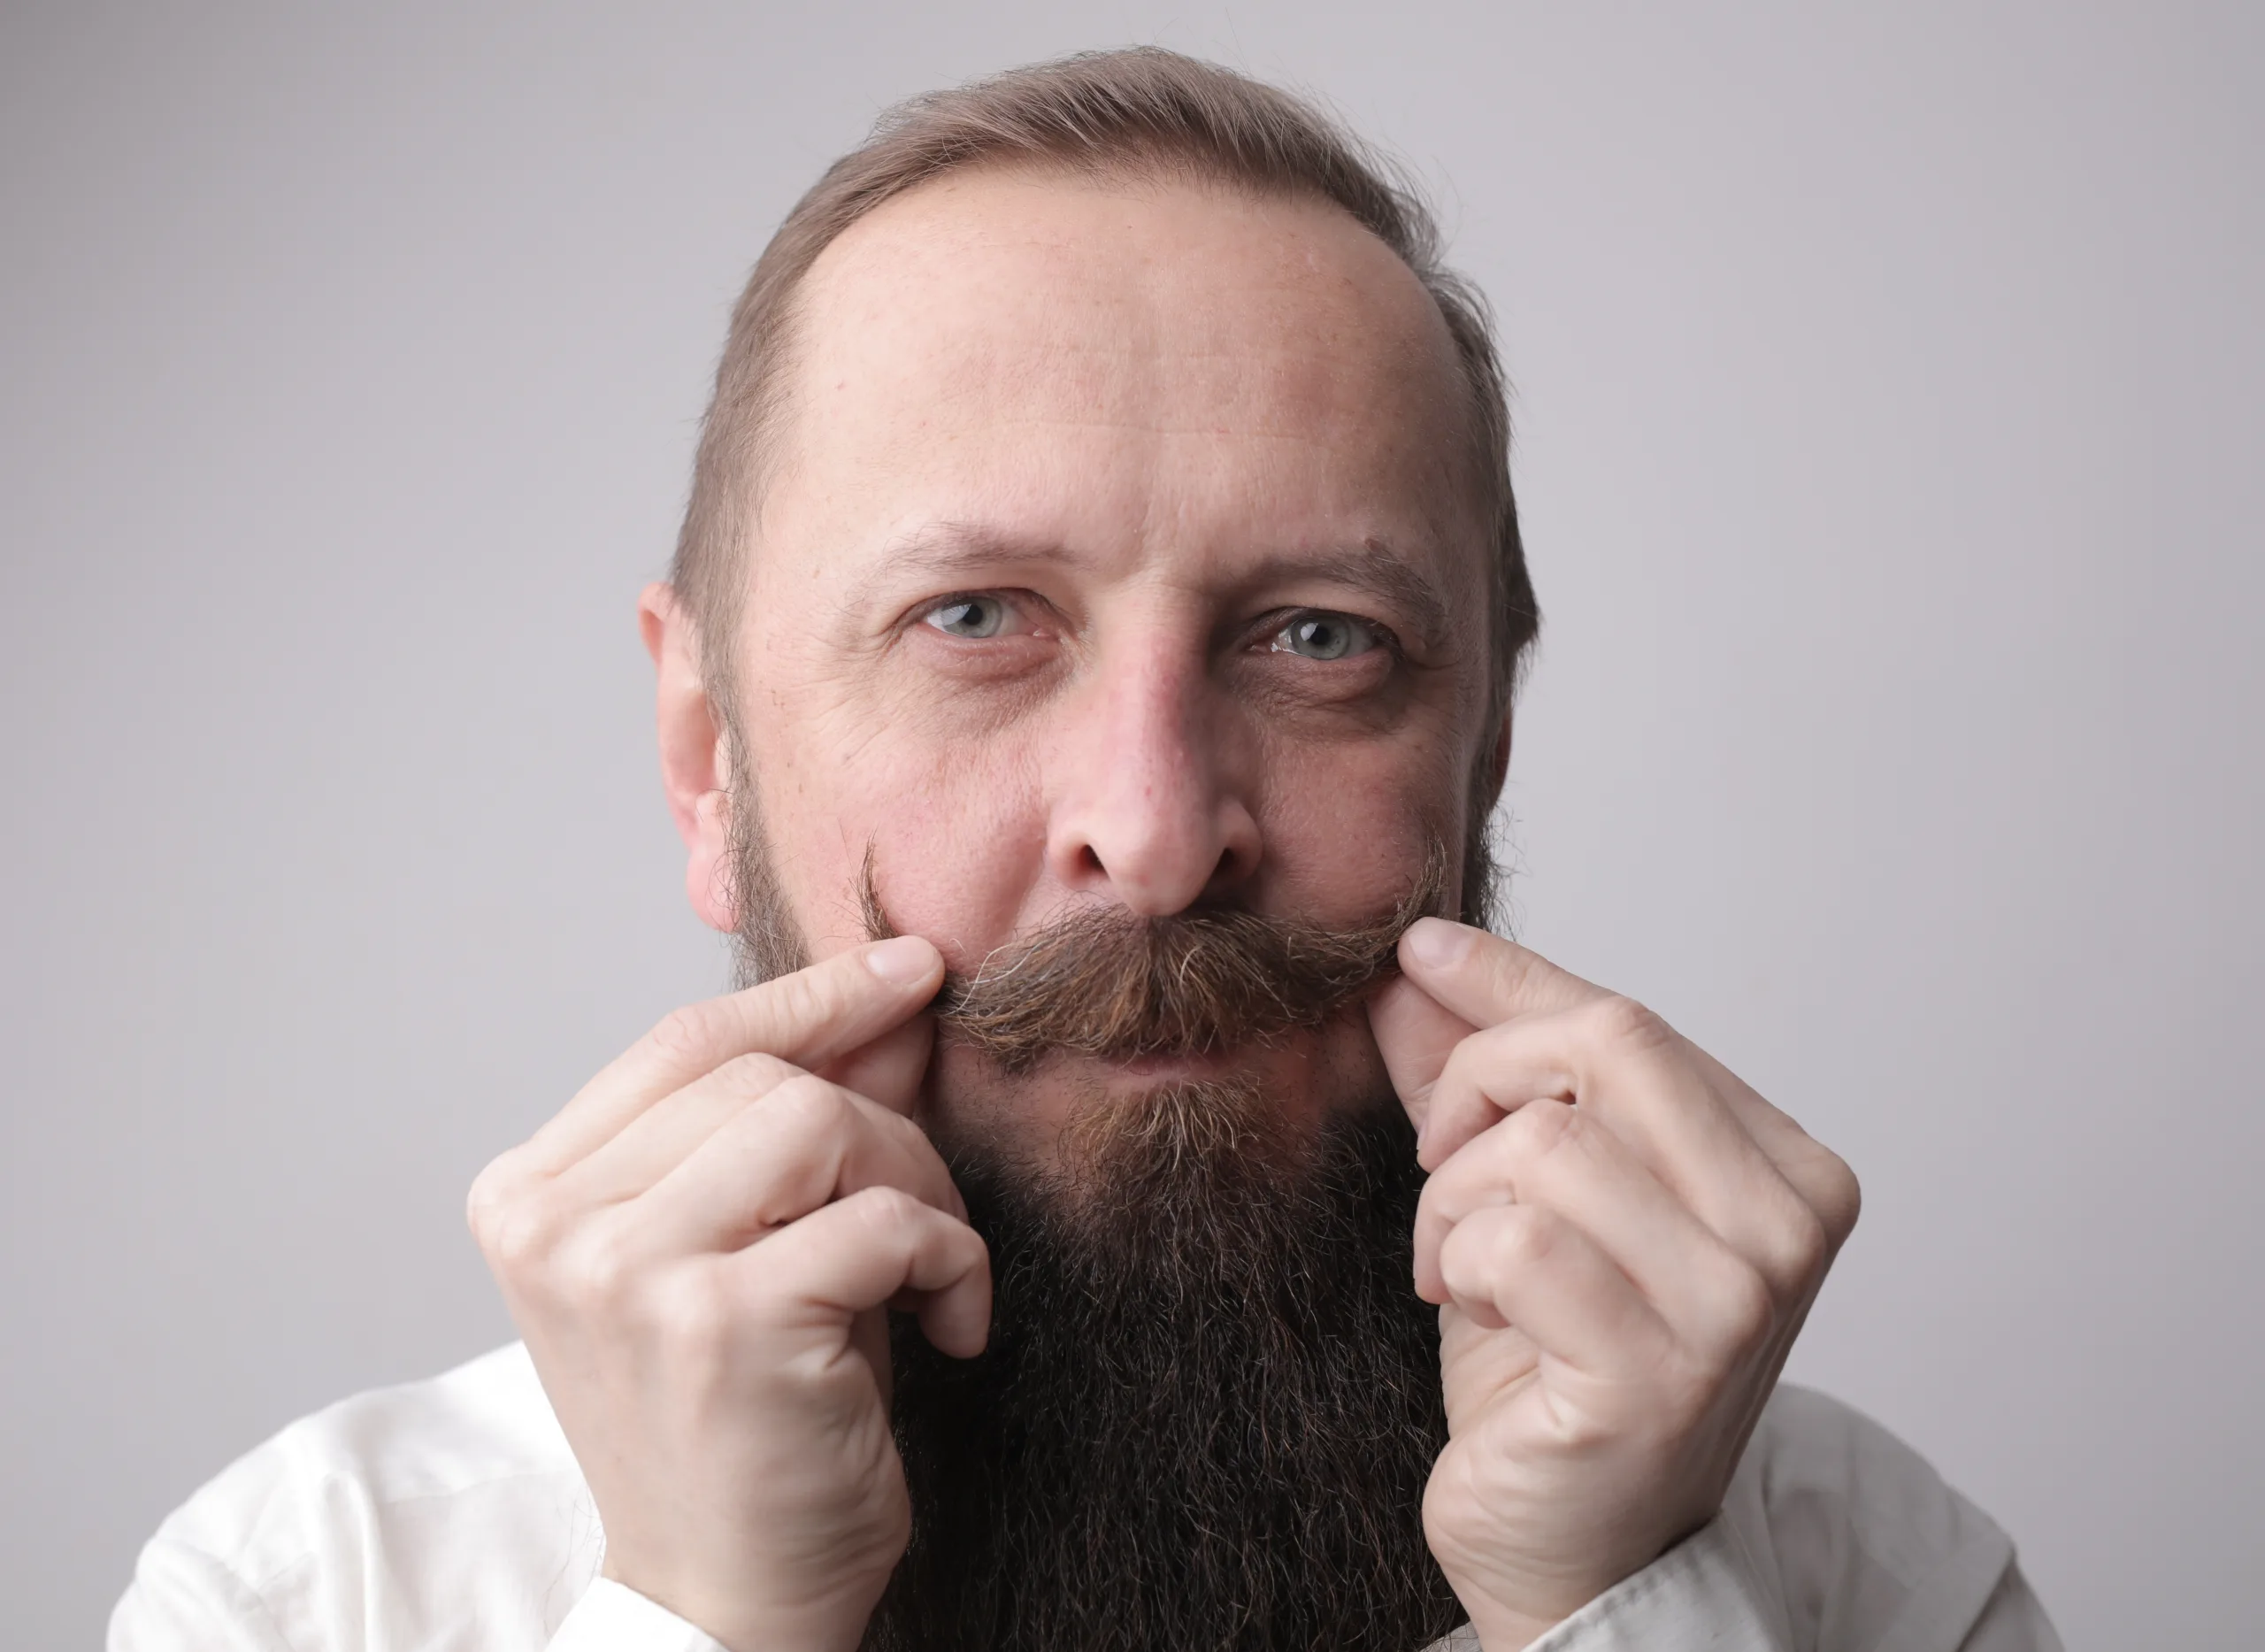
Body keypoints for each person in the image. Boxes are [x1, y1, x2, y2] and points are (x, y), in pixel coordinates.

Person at [110, 48, 2062, 1652]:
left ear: (1482, 755)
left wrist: (1611, 1614)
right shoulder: (314, 1592)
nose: (1148, 834)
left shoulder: (1861, 1587)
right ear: (708, 760)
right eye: (975, 619)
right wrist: (707, 1622)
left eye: (1320, 639)